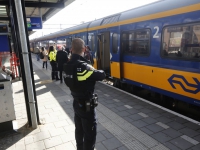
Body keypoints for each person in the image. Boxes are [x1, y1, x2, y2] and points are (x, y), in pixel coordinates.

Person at [63, 38, 105, 150]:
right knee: (89, 135)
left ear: (71, 49)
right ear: (84, 49)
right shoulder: (84, 66)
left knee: (79, 130)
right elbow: (101, 75)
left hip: (76, 103)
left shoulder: (67, 66)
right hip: (87, 107)